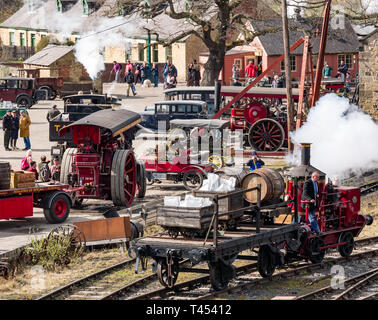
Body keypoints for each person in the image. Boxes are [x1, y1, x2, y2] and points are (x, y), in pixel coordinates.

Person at [301, 171, 323, 235]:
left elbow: (315, 192)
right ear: (313, 177)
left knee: (312, 217)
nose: (318, 179)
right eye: (317, 177)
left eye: (318, 177)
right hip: (308, 204)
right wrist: (310, 199)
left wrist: (317, 195)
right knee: (312, 217)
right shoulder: (307, 183)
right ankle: (317, 231)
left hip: (313, 203)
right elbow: (305, 193)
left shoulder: (316, 183)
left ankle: (313, 230)